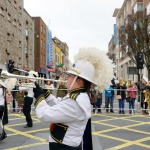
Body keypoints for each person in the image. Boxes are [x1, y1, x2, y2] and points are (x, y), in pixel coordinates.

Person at [33, 47, 114, 150]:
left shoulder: (75, 101)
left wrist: (40, 97)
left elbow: (44, 114)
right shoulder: (78, 96)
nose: (67, 78)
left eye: (71, 76)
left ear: (79, 81)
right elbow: (60, 104)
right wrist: (47, 95)